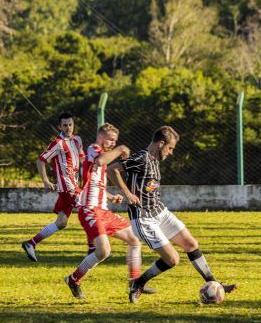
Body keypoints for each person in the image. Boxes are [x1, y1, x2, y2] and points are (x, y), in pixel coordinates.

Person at [108, 125, 237, 303]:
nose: (171, 153)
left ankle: (214, 284)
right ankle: (138, 283)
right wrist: (128, 194)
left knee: (191, 243)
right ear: (161, 144)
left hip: (160, 211)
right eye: (170, 148)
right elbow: (112, 169)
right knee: (172, 259)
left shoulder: (155, 160)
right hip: (144, 218)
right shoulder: (141, 158)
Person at [65, 123, 155, 299]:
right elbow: (101, 160)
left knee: (134, 239)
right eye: (111, 140)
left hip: (103, 211)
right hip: (90, 210)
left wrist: (111, 196)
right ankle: (73, 280)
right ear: (101, 137)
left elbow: (94, 185)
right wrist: (121, 148)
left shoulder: (102, 157)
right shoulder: (93, 149)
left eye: (116, 141)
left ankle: (134, 282)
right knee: (104, 251)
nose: (113, 143)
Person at [22, 112, 85, 262]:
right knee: (91, 210)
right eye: (65, 125)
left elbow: (83, 160)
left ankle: (31, 243)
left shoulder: (77, 140)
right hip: (67, 187)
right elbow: (41, 160)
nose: (68, 127)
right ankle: (95, 250)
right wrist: (45, 181)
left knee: (61, 222)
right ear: (59, 126)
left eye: (70, 124)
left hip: (74, 185)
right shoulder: (57, 143)